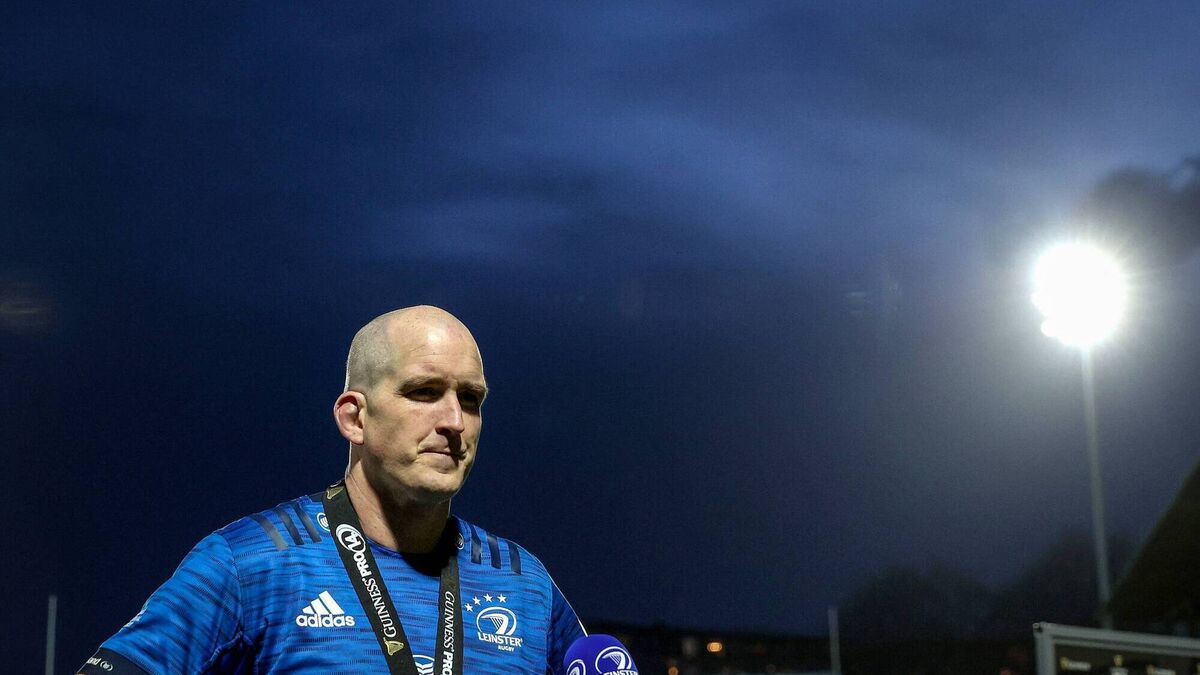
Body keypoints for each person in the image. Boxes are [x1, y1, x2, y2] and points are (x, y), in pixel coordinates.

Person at [78, 306, 586, 674]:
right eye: (424, 392)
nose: (454, 421)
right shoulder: (251, 564)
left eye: (470, 399)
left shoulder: (524, 584)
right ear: (354, 418)